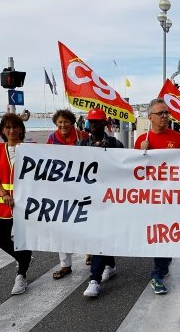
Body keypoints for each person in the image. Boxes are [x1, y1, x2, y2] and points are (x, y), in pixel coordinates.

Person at [135, 99, 180, 295]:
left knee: (167, 234)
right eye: (161, 113)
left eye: (167, 112)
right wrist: (140, 153)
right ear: (150, 118)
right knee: (158, 234)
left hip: (172, 196)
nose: (165, 116)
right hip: (151, 197)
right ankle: (158, 273)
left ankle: (161, 269)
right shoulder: (142, 140)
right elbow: (133, 170)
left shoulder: (178, 138)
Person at [81, 108, 124, 298]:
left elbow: (125, 169)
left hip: (109, 198)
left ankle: (94, 279)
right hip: (89, 198)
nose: (94, 125)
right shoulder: (81, 144)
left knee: (100, 235)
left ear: (104, 124)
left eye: (98, 122)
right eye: (91, 122)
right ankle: (111, 265)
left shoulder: (115, 144)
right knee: (98, 235)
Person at [0, 113, 32, 295]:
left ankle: (21, 276)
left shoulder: (30, 149)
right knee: (1, 239)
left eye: (15, 127)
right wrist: (4, 194)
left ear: (21, 129)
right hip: (4, 203)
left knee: (23, 239)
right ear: (3, 130)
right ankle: (23, 258)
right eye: (8, 127)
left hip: (25, 203)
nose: (11, 131)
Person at [46, 109, 88, 280]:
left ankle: (90, 251)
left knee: (86, 222)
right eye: (60, 122)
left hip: (83, 187)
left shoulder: (82, 136)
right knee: (62, 228)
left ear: (72, 122)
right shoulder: (52, 139)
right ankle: (65, 264)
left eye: (66, 122)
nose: (63, 125)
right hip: (61, 190)